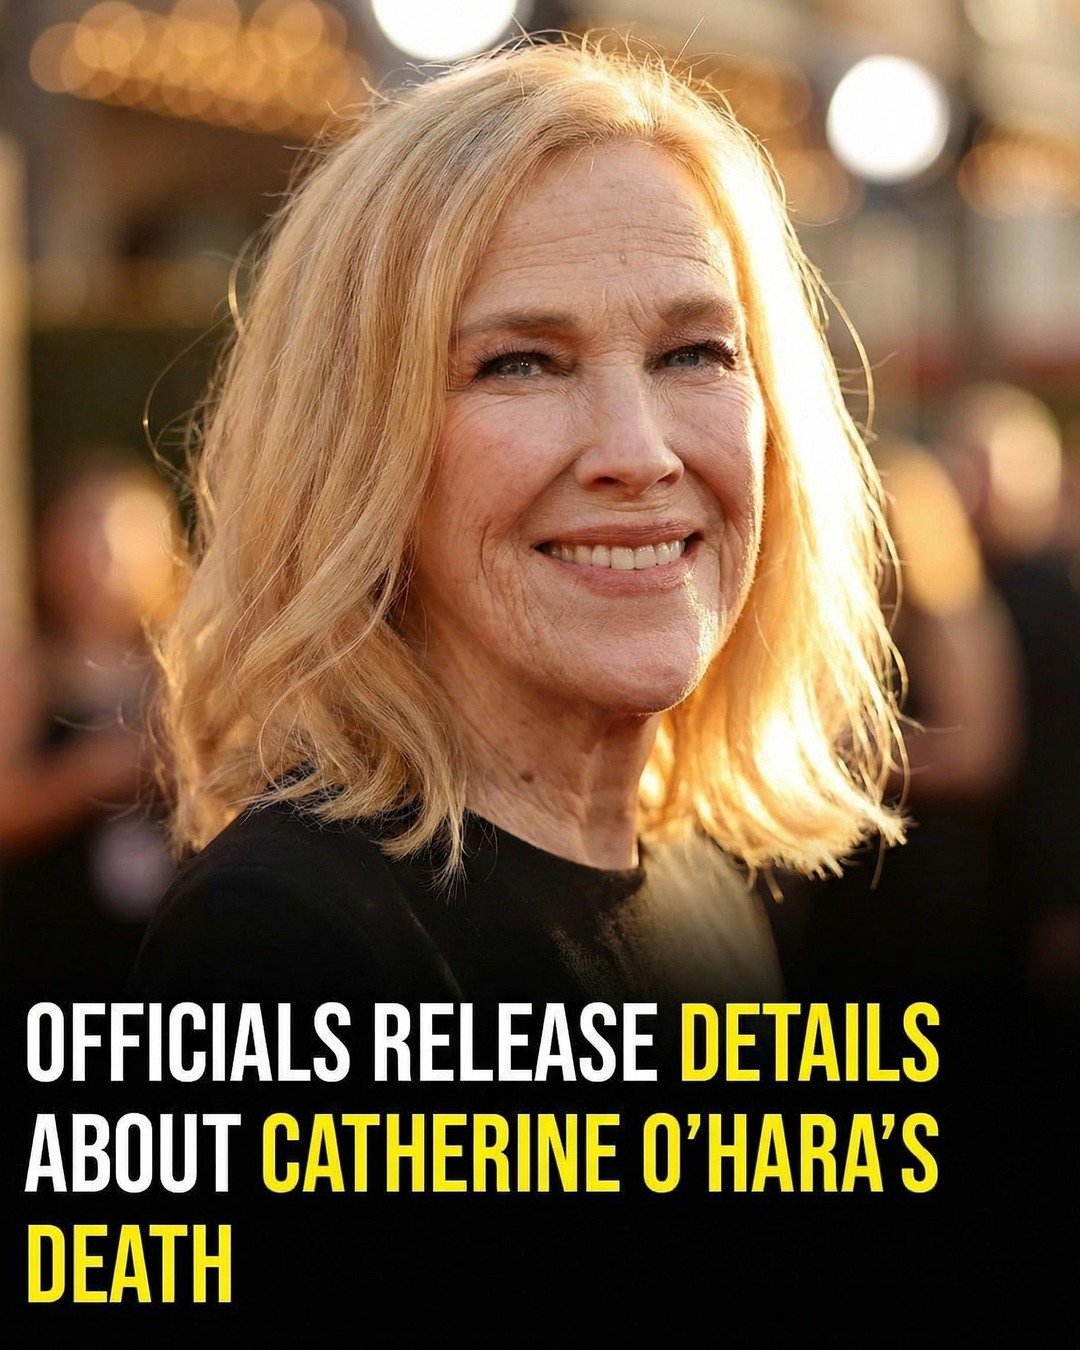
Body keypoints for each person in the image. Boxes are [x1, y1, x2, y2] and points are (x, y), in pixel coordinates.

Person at [132, 41, 904, 1004]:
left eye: (694, 354)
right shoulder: (283, 937)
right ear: (354, 450)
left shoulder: (710, 899)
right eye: (521, 363)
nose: (640, 452)